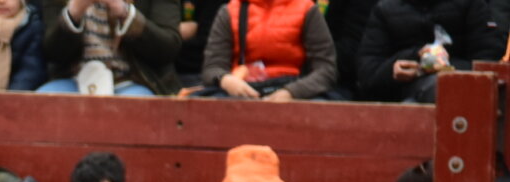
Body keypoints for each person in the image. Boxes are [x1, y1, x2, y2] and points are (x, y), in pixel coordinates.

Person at [356, 0, 502, 103]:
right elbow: (367, 73)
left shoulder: (471, 5)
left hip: (461, 97)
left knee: (437, 88)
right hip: (400, 98)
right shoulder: (385, 9)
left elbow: (489, 64)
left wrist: (445, 67)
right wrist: (397, 67)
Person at [198, 0, 338, 101]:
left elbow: (326, 70)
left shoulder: (307, 9)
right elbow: (212, 68)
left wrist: (291, 92)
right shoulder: (230, 11)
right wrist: (227, 80)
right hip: (241, 91)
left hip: (294, 91)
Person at [38, 0, 182, 95]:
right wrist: (73, 13)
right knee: (37, 108)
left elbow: (168, 50)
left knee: (135, 114)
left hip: (134, 81)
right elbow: (51, 53)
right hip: (73, 80)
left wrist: (125, 13)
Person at [173, 0, 226, 86]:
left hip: (196, 73)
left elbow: (206, 49)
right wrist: (174, 31)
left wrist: (169, 35)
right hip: (158, 71)